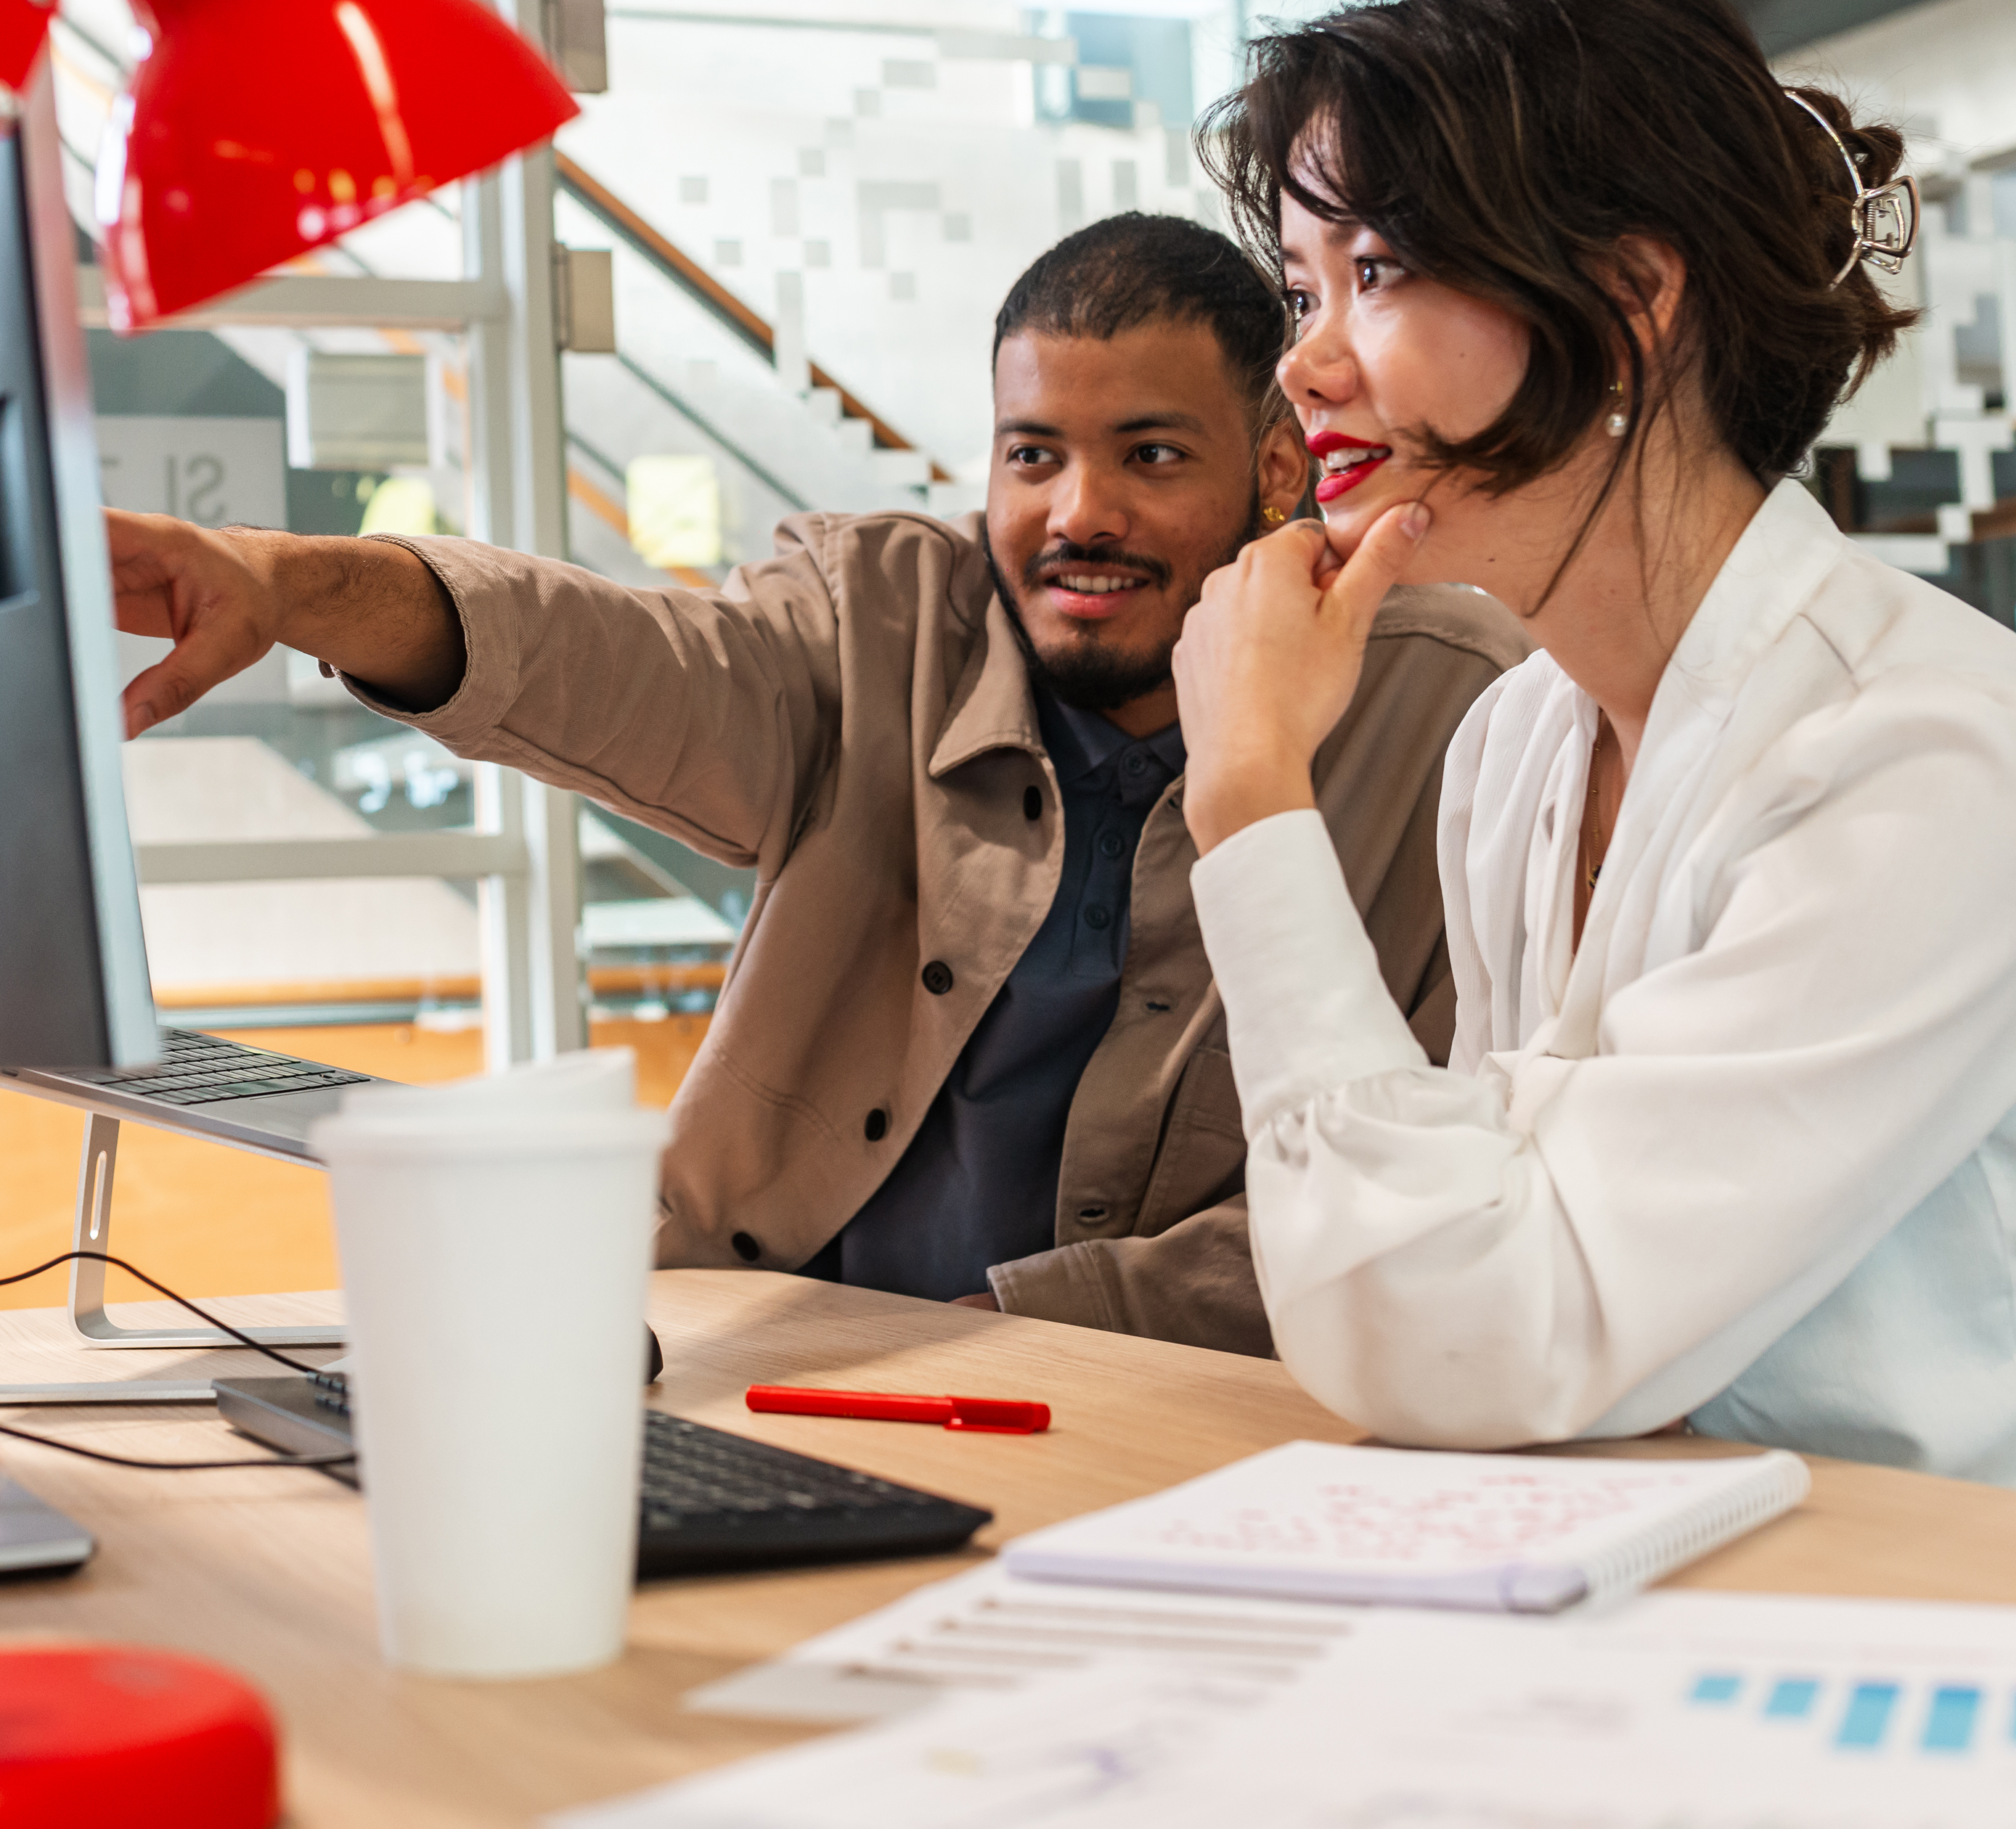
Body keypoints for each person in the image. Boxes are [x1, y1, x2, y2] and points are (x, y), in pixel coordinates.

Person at [1170, 0, 2016, 1527]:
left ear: (1632, 298)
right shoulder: (1515, 743)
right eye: (1301, 284)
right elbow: (1490, 1299)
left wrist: (1247, 795)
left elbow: (1466, 1336)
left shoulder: (1931, 756)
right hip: (1708, 1582)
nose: (1302, 359)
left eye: (1381, 267)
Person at [109, 213, 1526, 1351]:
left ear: (1277, 466)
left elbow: (1443, 1160)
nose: (1076, 514)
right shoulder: (877, 616)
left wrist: (1030, 1329)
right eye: (1030, 455)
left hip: (1142, 1405)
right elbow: (607, 661)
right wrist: (286, 580)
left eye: (1147, 455)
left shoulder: (1455, 709)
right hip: (739, 1346)